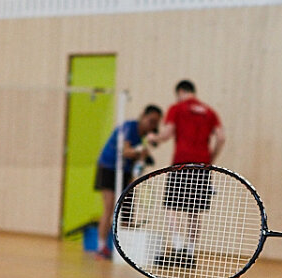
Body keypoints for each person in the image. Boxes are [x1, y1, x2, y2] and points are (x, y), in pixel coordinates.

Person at [149, 80, 224, 267]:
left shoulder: (177, 108)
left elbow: (167, 134)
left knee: (170, 206)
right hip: (202, 166)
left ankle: (178, 246)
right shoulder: (210, 112)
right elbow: (221, 137)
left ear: (180, 91)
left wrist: (154, 137)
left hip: (181, 163)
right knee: (194, 211)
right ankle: (190, 252)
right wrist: (210, 159)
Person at [95, 104, 162, 258]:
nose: (152, 126)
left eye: (156, 123)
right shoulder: (129, 127)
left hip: (125, 171)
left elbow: (136, 162)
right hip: (108, 167)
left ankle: (125, 249)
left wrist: (141, 160)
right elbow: (125, 151)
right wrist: (141, 152)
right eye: (151, 121)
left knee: (128, 209)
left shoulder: (142, 137)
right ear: (143, 116)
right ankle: (101, 247)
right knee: (109, 208)